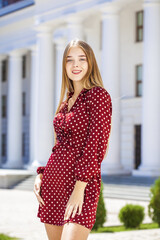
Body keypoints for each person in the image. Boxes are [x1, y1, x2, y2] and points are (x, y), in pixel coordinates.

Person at [34, 38, 112, 240]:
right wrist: (41, 175)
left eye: (81, 59)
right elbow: (58, 147)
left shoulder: (98, 96)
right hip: (52, 185)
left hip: (81, 186)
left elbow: (96, 145)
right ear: (64, 65)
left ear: (90, 63)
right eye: (69, 60)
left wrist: (79, 188)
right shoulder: (65, 103)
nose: (75, 64)